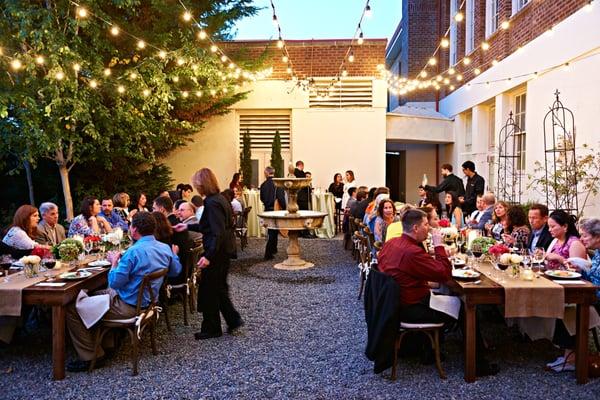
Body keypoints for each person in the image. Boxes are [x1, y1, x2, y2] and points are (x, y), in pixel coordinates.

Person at [378, 208, 497, 376]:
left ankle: (431, 349)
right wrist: (439, 244)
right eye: (426, 224)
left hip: (392, 304)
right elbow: (444, 273)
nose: (430, 228)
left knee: (450, 295)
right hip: (412, 307)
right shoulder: (411, 251)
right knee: (466, 307)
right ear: (415, 229)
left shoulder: (392, 243)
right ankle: (477, 364)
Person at [65, 211, 181, 372]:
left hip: (128, 307)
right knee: (92, 296)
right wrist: (174, 255)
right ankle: (108, 344)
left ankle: (91, 356)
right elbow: (175, 271)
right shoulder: (164, 248)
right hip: (148, 304)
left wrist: (114, 263)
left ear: (134, 230)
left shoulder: (133, 252)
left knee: (72, 307)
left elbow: (115, 282)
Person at [175, 168, 242, 340]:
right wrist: (188, 226)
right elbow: (211, 227)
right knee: (218, 287)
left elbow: (217, 232)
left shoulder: (212, 203)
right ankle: (233, 319)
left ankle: (212, 328)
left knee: (209, 290)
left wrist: (208, 257)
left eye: (197, 184)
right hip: (223, 249)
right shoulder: (219, 199)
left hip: (217, 252)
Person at [546, 218, 600, 372]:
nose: (581, 239)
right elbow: (592, 276)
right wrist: (580, 269)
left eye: (585, 236)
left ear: (598, 237)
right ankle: (569, 354)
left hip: (596, 297)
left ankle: (571, 357)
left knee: (570, 307)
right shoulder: (597, 253)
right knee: (564, 303)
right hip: (591, 293)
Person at [260, 166, 286, 260]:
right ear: (273, 173)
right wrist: (284, 208)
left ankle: (273, 249)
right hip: (275, 210)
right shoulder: (277, 185)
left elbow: (261, 198)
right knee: (273, 231)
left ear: (266, 173)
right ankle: (268, 253)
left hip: (267, 209)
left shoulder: (263, 185)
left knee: (271, 230)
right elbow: (281, 198)